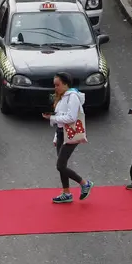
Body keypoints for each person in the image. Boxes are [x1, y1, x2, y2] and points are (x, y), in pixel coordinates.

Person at [44, 73, 92, 204]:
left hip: (71, 134)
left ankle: (84, 183)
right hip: (61, 133)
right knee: (62, 165)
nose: (55, 88)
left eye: (57, 85)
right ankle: (66, 192)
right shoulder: (62, 97)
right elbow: (61, 119)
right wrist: (56, 136)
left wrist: (52, 118)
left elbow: (71, 117)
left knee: (60, 165)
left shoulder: (73, 97)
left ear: (66, 84)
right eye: (54, 85)